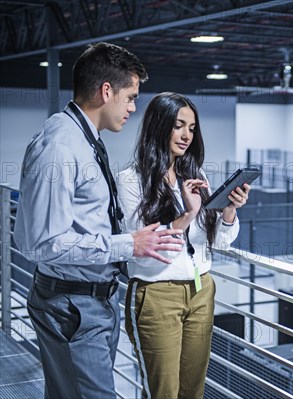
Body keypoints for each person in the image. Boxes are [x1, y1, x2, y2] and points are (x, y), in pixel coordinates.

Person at [14, 43, 186, 399]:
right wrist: (129, 244)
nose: (133, 108)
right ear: (106, 91)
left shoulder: (83, 138)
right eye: (130, 97)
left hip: (91, 303)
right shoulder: (61, 145)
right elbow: (43, 244)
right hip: (73, 308)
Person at [117, 92, 251, 399]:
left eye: (191, 128)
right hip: (157, 294)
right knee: (163, 392)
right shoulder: (130, 180)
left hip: (201, 289)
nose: (187, 135)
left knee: (193, 391)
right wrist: (188, 213)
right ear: (159, 125)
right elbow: (147, 249)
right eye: (179, 126)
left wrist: (229, 210)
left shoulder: (195, 174)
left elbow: (216, 242)